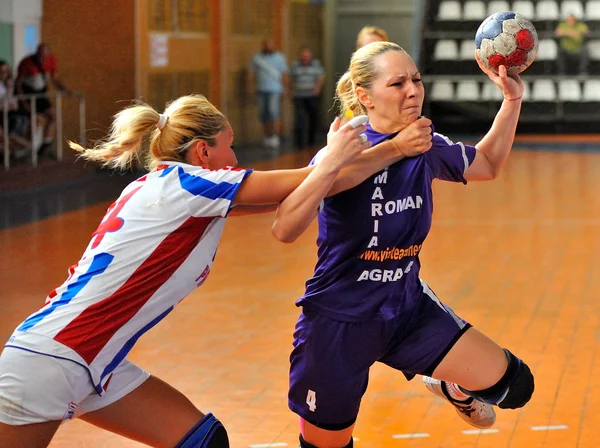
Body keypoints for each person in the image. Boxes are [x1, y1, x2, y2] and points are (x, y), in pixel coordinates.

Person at [0, 93, 429, 448]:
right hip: (52, 362)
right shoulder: (192, 186)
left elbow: (306, 190)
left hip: (92, 363)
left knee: (202, 440)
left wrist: (370, 156)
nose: (237, 156)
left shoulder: (166, 189)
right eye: (230, 145)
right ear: (204, 152)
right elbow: (309, 177)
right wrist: (379, 149)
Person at [273, 42, 535, 448]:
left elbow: (487, 164)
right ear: (364, 97)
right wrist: (382, 152)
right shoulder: (342, 149)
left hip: (406, 308)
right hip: (339, 322)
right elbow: (285, 227)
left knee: (516, 385)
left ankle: (452, 387)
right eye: (397, 83)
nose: (413, 91)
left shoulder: (425, 143)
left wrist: (512, 100)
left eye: (416, 80)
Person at [15, 43, 69, 158]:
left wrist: (64, 89)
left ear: (48, 53)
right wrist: (22, 101)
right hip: (28, 94)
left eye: (44, 54)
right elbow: (18, 82)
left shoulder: (51, 61)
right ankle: (27, 147)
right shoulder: (27, 62)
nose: (42, 56)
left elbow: (54, 78)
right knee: (35, 121)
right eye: (40, 53)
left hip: (41, 94)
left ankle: (46, 143)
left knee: (52, 117)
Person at [248, 39, 289, 149]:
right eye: (266, 45)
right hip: (261, 90)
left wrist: (285, 88)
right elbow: (251, 73)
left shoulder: (280, 58)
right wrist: (250, 87)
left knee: (273, 113)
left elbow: (284, 74)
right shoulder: (256, 58)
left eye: (270, 45)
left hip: (274, 90)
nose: (268, 47)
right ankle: (267, 136)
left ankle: (275, 136)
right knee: (262, 114)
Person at [290, 46, 325, 149]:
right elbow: (290, 78)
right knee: (299, 119)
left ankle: (311, 141)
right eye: (303, 56)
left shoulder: (316, 65)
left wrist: (317, 88)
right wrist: (291, 90)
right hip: (299, 95)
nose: (305, 58)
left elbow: (321, 77)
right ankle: (299, 143)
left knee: (313, 118)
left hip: (311, 95)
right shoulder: (295, 65)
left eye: (307, 56)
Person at [0, 60, 30, 159]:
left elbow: (13, 103)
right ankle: (26, 148)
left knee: (10, 135)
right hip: (4, 114)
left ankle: (27, 148)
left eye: (5, 71)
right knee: (7, 137)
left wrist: (9, 89)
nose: (4, 74)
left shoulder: (9, 84)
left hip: (9, 114)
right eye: (1, 72)